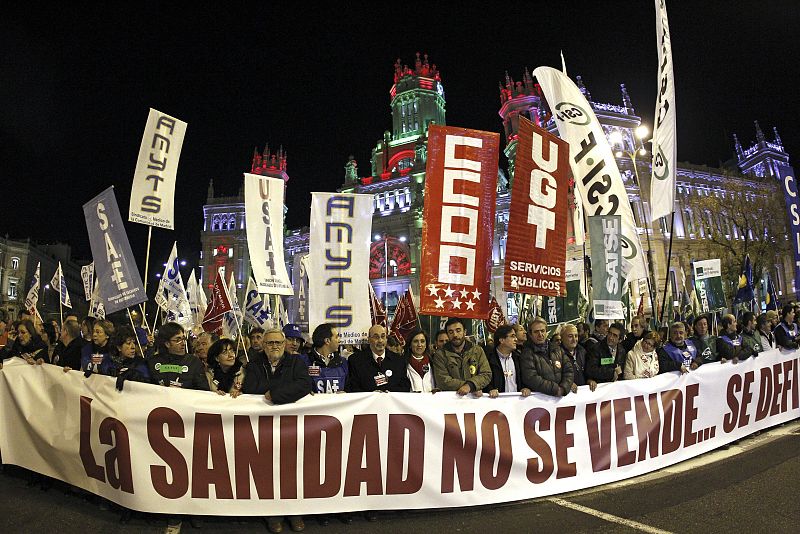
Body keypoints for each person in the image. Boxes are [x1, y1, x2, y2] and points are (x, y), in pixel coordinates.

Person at [431, 318, 491, 396]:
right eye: (451, 332)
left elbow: (486, 374)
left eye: (458, 330)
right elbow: (443, 380)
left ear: (464, 332)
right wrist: (469, 386)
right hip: (452, 400)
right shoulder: (440, 355)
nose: (455, 335)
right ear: (447, 334)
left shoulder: (477, 350)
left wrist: (470, 385)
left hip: (475, 400)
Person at [347, 324, 411, 392]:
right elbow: (352, 387)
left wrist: (390, 393)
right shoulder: (355, 361)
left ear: (386, 339)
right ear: (369, 340)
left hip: (391, 401)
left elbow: (405, 386)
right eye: (376, 337)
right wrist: (372, 395)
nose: (380, 340)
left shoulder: (399, 361)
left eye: (383, 336)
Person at [519, 317, 573, 396]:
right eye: (536, 332)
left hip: (561, 398)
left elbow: (569, 370)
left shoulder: (557, 349)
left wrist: (564, 387)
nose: (540, 334)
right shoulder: (527, 353)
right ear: (530, 335)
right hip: (541, 401)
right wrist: (555, 390)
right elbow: (531, 378)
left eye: (542, 331)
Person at [147, 322, 209, 390]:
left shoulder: (193, 362)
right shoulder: (153, 361)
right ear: (167, 343)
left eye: (183, 338)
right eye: (178, 340)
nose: (183, 343)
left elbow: (203, 389)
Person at [483, 324, 530, 397]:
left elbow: (523, 379)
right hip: (497, 403)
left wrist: (525, 388)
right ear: (502, 340)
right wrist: (490, 389)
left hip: (517, 403)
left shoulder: (519, 358)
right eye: (512, 336)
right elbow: (484, 379)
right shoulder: (488, 359)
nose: (516, 339)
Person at [301, 323, 348, 394]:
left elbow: (350, 387)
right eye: (336, 337)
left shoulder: (343, 362)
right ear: (327, 341)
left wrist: (346, 393)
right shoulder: (303, 361)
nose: (339, 340)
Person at [585, 322, 627, 390]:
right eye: (610, 333)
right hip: (600, 388)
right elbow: (590, 370)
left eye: (615, 335)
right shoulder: (596, 348)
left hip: (615, 389)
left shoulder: (622, 351)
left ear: (620, 340)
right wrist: (611, 372)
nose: (610, 337)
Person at [112, 326, 151, 390]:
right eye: (128, 343)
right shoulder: (110, 362)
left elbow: (148, 384)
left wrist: (135, 375)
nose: (133, 347)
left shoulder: (141, 363)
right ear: (119, 347)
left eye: (134, 343)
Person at [405, 328, 436, 393]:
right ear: (410, 345)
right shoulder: (403, 364)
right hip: (410, 402)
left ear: (426, 345)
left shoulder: (433, 362)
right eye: (416, 341)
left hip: (431, 401)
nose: (419, 345)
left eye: (422, 341)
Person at [560, 324, 586, 392]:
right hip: (567, 396)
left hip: (584, 395)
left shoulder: (582, 351)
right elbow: (555, 375)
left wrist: (590, 379)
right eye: (570, 336)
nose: (574, 339)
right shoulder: (556, 354)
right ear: (562, 338)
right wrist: (567, 383)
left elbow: (588, 370)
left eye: (576, 336)